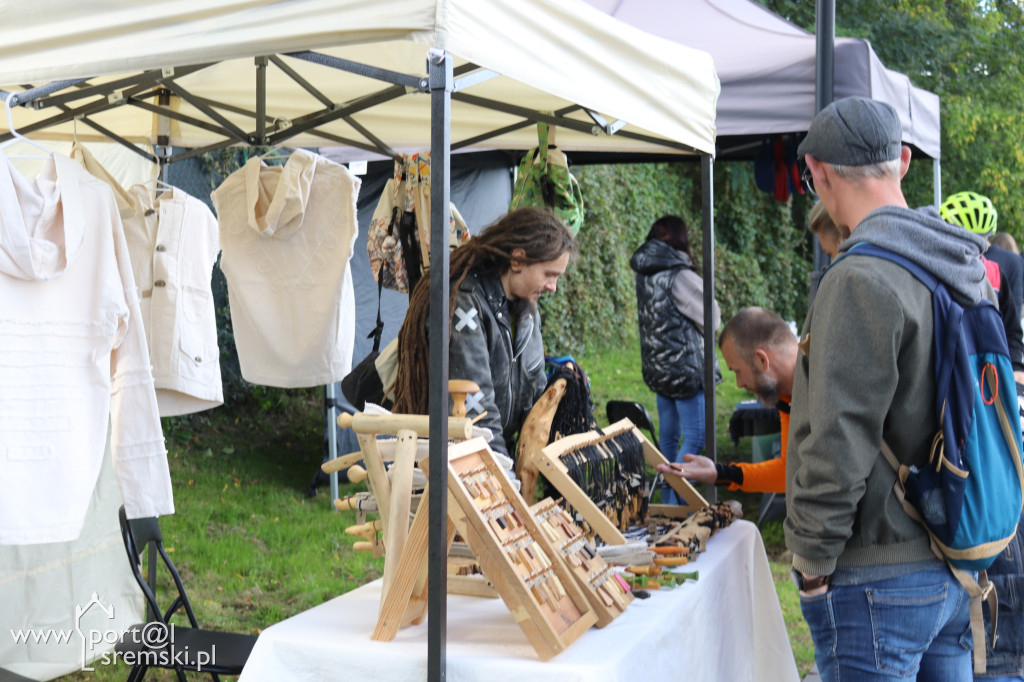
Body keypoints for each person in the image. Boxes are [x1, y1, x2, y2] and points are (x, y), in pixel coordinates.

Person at [790, 96, 992, 680]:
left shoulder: (859, 276)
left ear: (818, 173)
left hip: (879, 571)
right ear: (902, 161)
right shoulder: (963, 265)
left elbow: (840, 436)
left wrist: (811, 559)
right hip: (957, 561)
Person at [391, 207, 576, 459]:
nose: (553, 287)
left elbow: (534, 393)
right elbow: (475, 411)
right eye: (549, 275)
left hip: (496, 457)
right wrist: (503, 474)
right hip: (458, 462)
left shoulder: (527, 309)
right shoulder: (463, 301)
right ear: (518, 260)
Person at [630, 215, 720, 505]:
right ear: (682, 239)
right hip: (686, 369)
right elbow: (713, 318)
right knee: (694, 439)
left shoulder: (645, 272)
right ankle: (674, 506)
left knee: (668, 441)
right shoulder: (680, 275)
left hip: (659, 368)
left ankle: (667, 504)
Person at [656, 306, 796, 494]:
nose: (738, 384)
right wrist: (719, 473)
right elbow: (789, 472)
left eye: (737, 371)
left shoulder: (825, 385)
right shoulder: (787, 394)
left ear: (762, 360)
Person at [940, 190, 1024, 383]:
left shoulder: (995, 274)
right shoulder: (931, 271)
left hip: (988, 373)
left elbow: (1011, 330)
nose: (975, 252)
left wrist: (1016, 367)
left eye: (982, 242)